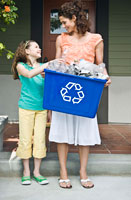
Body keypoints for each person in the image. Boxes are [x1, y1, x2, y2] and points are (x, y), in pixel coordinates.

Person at [49, 0, 111, 189]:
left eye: (65, 22)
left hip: (85, 93)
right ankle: (63, 172)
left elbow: (100, 64)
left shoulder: (96, 39)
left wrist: (105, 76)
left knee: (85, 132)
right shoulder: (62, 39)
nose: (63, 26)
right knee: (62, 133)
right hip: (64, 92)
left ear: (74, 18)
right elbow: (58, 63)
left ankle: (83, 172)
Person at [12, 40, 50, 185]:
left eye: (39, 47)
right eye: (36, 47)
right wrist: (47, 66)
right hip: (26, 107)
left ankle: (37, 172)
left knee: (40, 139)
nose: (39, 49)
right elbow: (29, 75)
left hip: (41, 109)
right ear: (26, 51)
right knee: (26, 139)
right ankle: (26, 171)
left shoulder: (41, 67)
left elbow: (49, 86)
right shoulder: (21, 66)